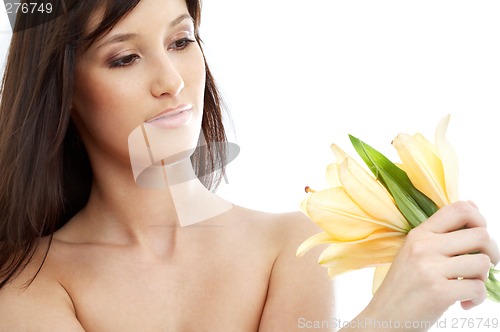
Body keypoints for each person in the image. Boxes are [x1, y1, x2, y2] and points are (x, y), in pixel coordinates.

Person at [0, 0, 497, 331]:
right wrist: (386, 319)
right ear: (63, 90)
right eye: (125, 58)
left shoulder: (291, 245)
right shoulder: (30, 284)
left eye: (181, 41)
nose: (172, 81)